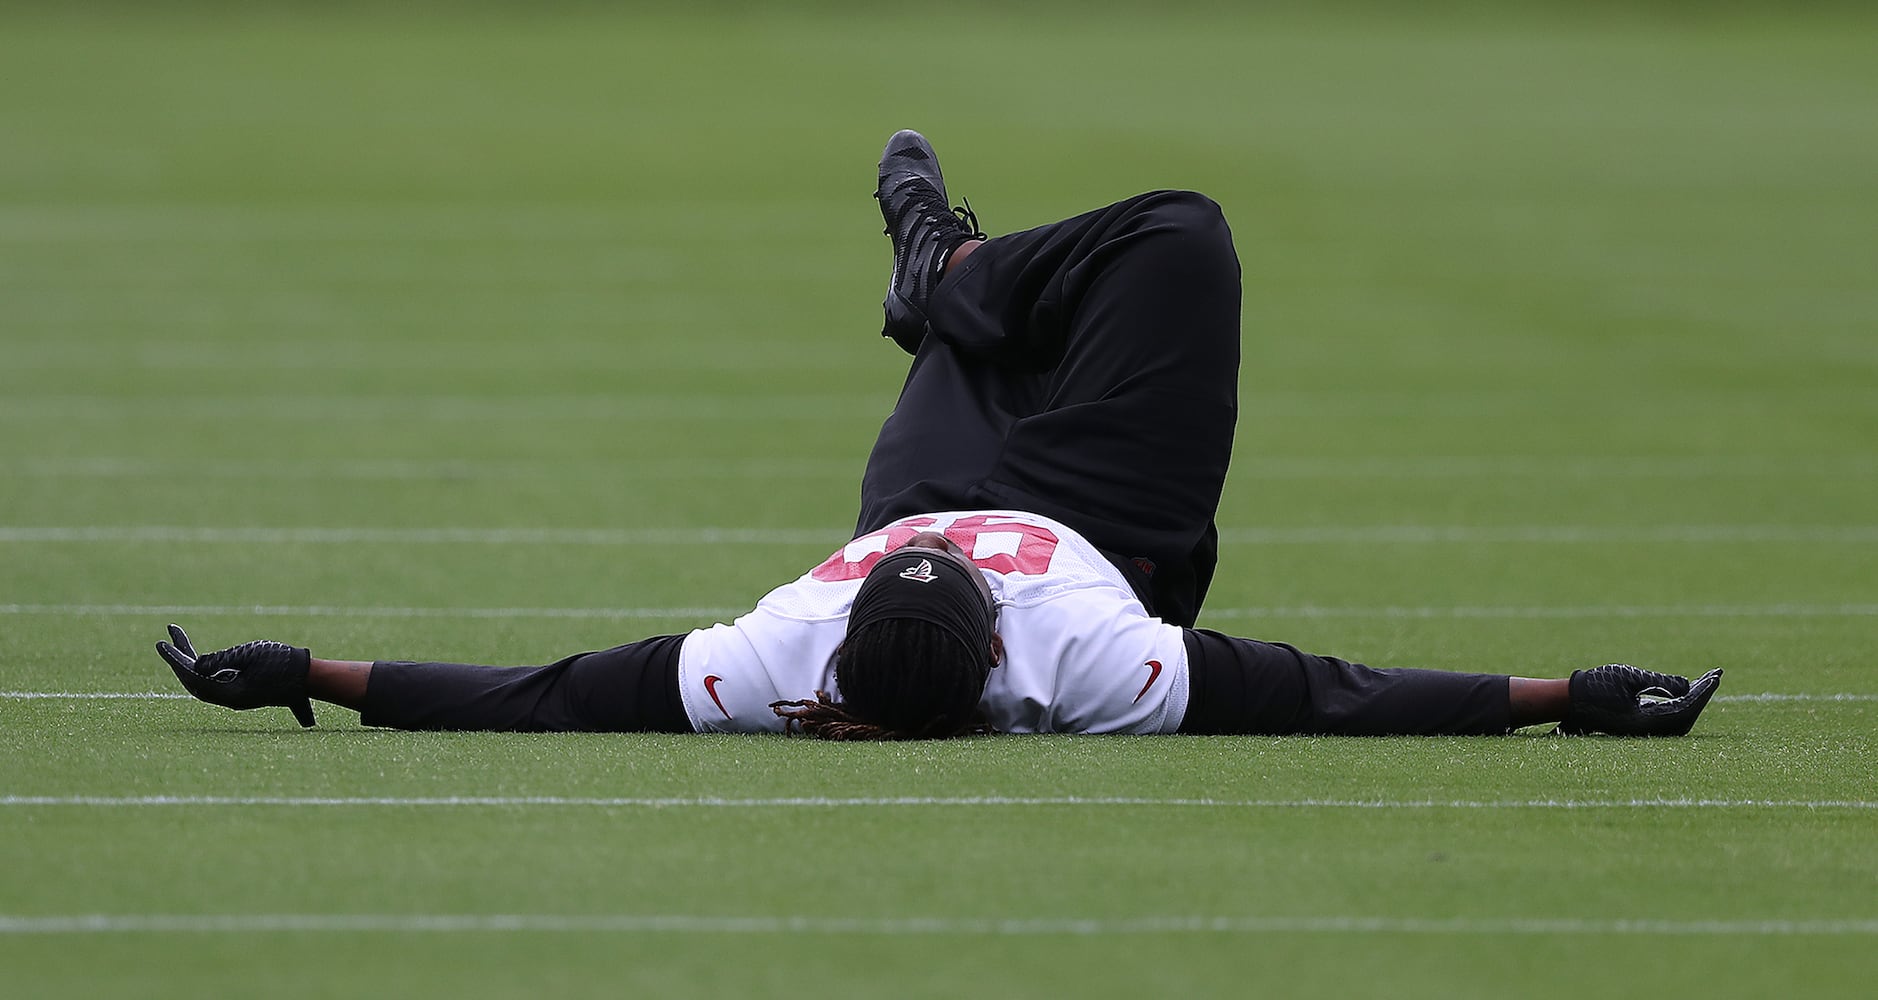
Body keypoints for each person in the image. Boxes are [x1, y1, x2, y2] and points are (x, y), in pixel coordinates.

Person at [156, 130, 1723, 741]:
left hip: (915, 488)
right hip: (1098, 524)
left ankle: (948, 272)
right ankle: (952, 280)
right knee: (1179, 235)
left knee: (996, 338)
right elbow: (1335, 695)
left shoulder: (772, 655)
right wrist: (1570, 698)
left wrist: (310, 671)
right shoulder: (1101, 664)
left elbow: (540, 692)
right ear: (997, 659)